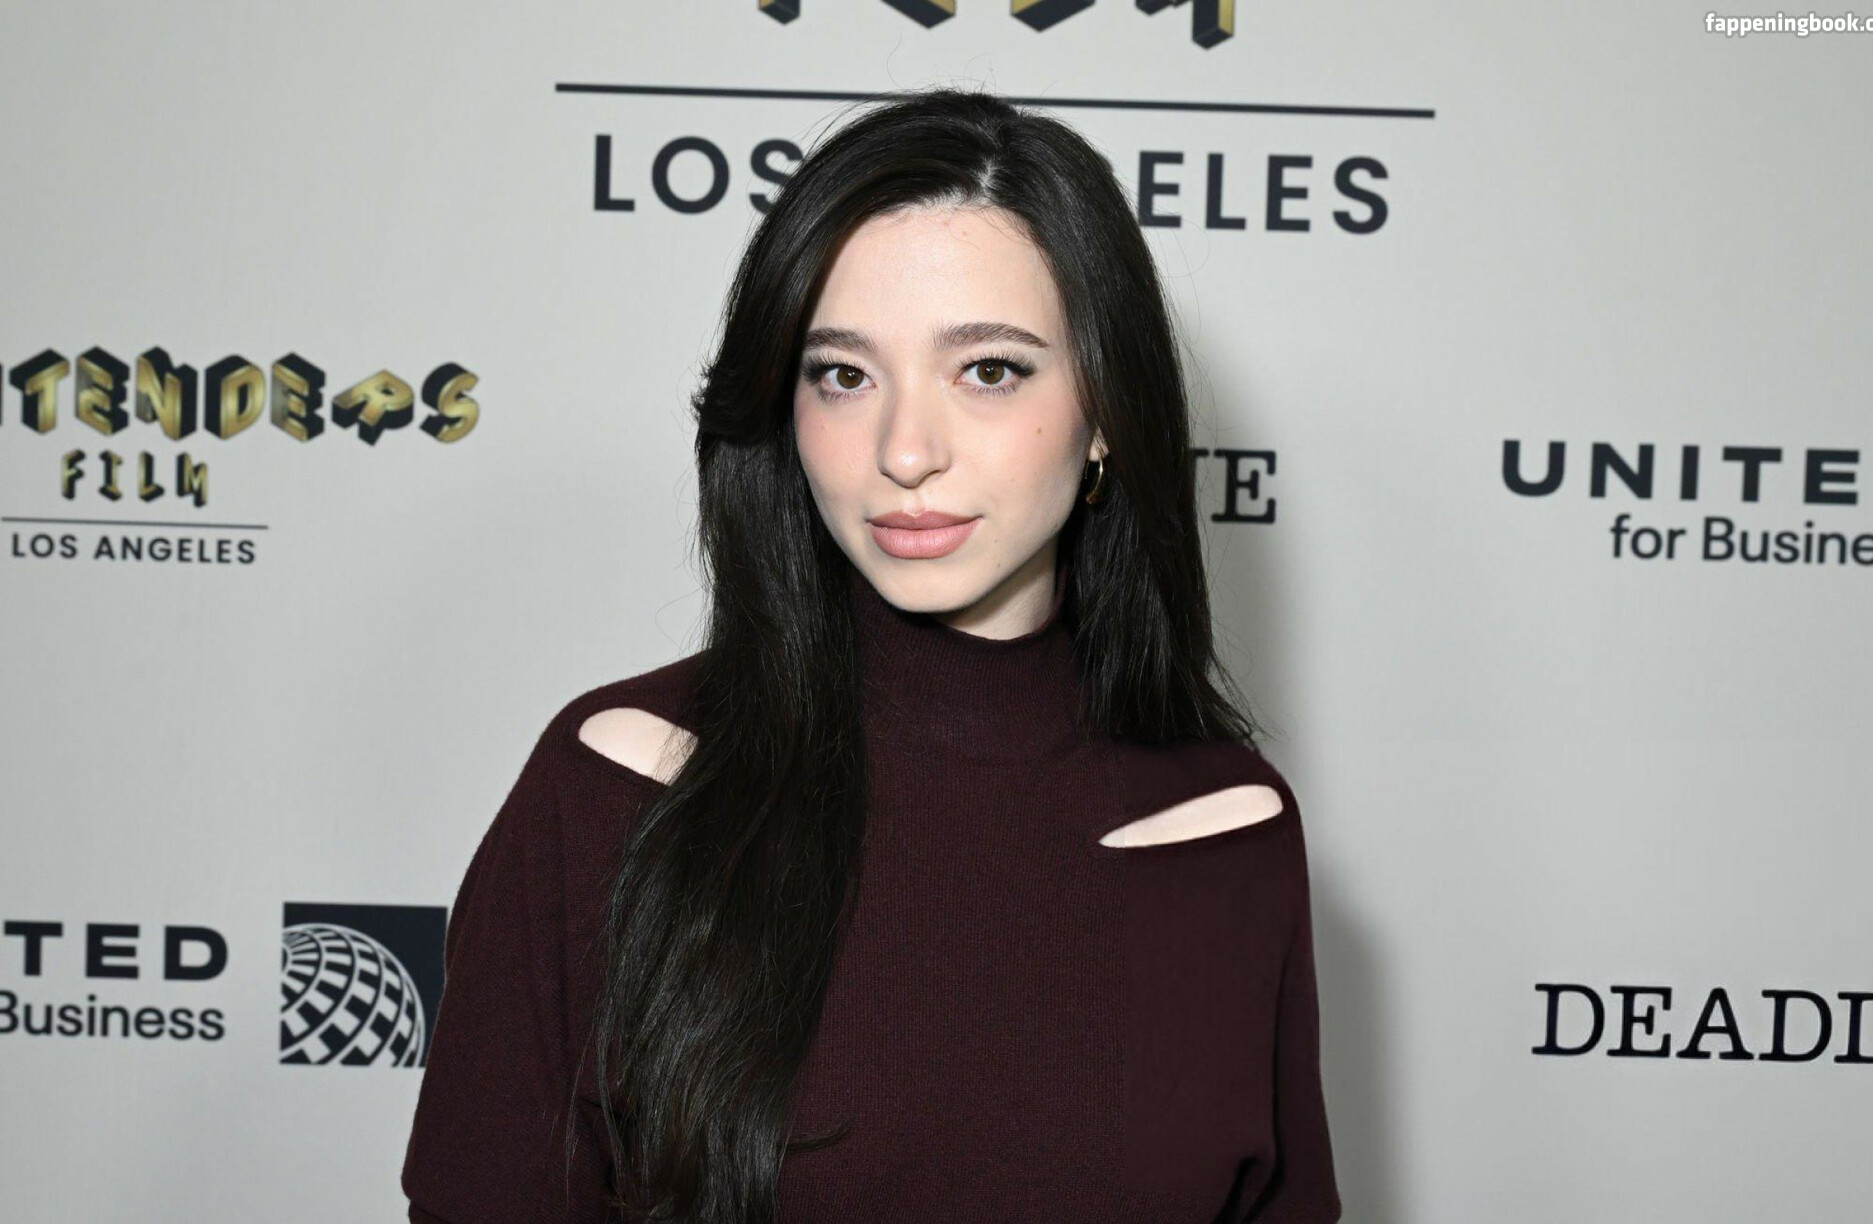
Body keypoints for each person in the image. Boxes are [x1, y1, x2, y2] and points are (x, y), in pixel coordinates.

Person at [401, 85, 1341, 1224]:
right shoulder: (616, 784)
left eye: (988, 369)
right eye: (843, 374)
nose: (904, 450)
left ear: (1107, 411)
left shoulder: (1231, 827)